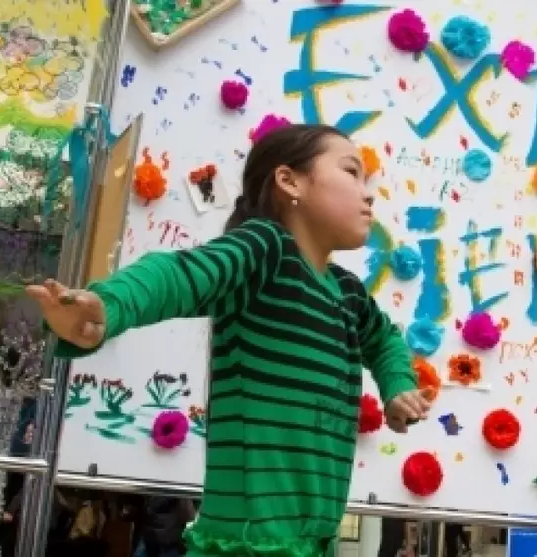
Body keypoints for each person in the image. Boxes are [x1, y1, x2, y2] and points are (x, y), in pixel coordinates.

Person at [27, 124, 432, 557]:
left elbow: (385, 339)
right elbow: (178, 275)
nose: (368, 195)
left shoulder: (348, 293)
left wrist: (398, 387)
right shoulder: (266, 250)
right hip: (246, 545)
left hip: (314, 545)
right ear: (289, 181)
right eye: (351, 172)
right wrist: (109, 306)